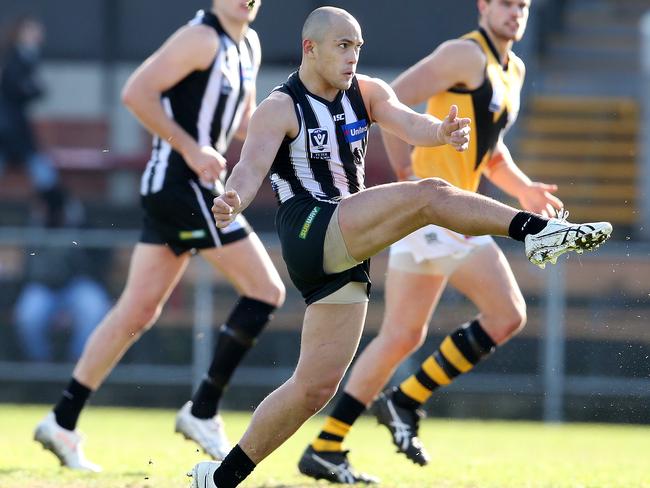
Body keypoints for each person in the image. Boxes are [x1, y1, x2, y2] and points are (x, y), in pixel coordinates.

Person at [188, 6, 611, 488]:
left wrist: (441, 133)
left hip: (344, 247)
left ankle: (221, 478)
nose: (353, 57)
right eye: (343, 46)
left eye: (358, 47)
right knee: (430, 195)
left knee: (313, 389)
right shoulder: (281, 106)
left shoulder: (367, 92)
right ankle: (536, 232)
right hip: (310, 229)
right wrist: (233, 199)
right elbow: (249, 167)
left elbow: (409, 124)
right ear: (311, 48)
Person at [301, 0, 557, 481]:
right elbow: (393, 99)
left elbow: (489, 145)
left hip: (444, 215)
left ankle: (328, 443)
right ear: (483, 5)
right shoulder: (466, 54)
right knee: (507, 314)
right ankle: (405, 399)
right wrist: (408, 174)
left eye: (522, 4)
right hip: (441, 213)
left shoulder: (512, 68)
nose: (515, 12)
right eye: (505, 3)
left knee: (402, 335)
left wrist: (523, 188)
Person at [33, 0, 285, 472]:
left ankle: (61, 420)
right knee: (266, 290)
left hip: (187, 187)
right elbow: (136, 93)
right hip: (180, 186)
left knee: (138, 309)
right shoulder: (201, 37)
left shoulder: (247, 44)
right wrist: (191, 149)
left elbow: (242, 126)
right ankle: (203, 410)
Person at [14, 192, 111, 362]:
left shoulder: (82, 225)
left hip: (77, 286)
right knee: (28, 317)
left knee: (95, 309)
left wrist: (77, 225)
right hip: (43, 288)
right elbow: (28, 270)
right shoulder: (34, 226)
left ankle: (79, 364)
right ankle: (42, 366)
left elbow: (99, 263)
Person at [0, 16, 63, 213]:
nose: (37, 35)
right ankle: (59, 211)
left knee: (43, 173)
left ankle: (57, 212)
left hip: (13, 128)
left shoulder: (26, 58)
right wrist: (34, 90)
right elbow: (17, 87)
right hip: (8, 129)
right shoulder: (15, 58)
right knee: (43, 173)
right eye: (32, 31)